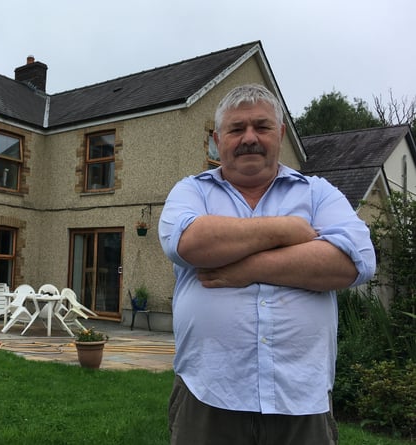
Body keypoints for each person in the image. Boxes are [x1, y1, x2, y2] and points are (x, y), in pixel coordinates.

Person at [158, 84, 376, 445]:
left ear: (281, 134)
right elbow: (191, 243)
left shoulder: (317, 192)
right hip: (208, 395)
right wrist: (287, 229)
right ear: (217, 139)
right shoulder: (191, 191)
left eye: (261, 127)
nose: (249, 138)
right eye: (236, 129)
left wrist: (246, 269)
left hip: (301, 399)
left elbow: (354, 262)